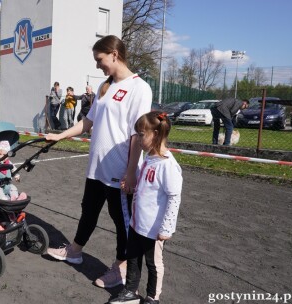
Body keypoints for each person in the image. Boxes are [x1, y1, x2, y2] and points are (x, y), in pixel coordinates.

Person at [44, 35, 152, 289]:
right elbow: (87, 123)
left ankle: (121, 268)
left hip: (120, 171)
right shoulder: (106, 87)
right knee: (88, 211)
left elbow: (138, 134)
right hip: (97, 168)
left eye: (99, 59)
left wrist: (131, 171)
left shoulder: (140, 88)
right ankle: (74, 251)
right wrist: (60, 135)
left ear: (114, 54)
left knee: (120, 220)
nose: (97, 65)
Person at [108, 111, 183, 304]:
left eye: (142, 135)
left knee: (153, 264)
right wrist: (131, 185)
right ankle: (131, 291)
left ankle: (152, 297)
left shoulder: (168, 165)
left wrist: (166, 228)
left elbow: (174, 197)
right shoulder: (149, 158)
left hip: (154, 229)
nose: (138, 139)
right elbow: (145, 185)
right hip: (137, 223)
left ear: (156, 134)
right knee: (132, 257)